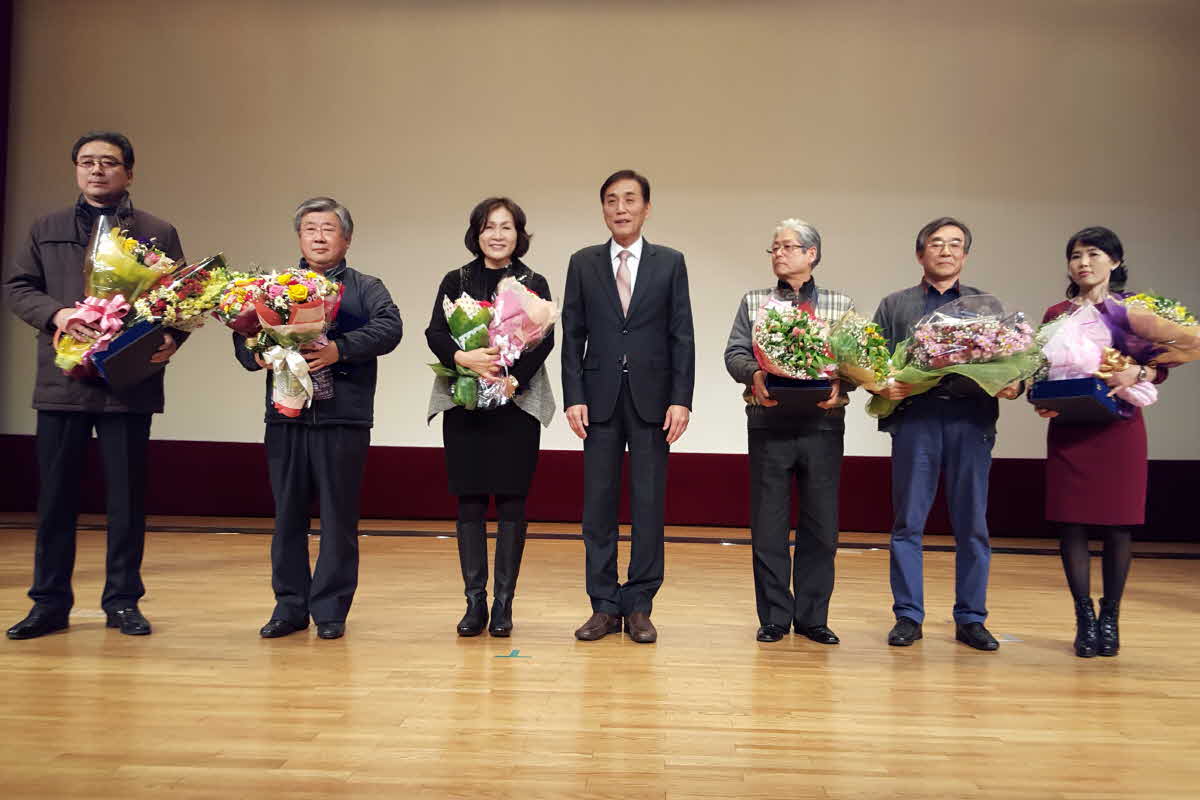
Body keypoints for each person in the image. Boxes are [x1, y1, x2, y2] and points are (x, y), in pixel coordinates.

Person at [3, 131, 184, 639]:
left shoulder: (156, 232)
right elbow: (18, 287)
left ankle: (123, 602)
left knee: (126, 499)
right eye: (86, 162)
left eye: (108, 162)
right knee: (55, 499)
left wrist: (171, 337)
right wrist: (58, 314)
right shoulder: (47, 227)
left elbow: (179, 299)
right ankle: (48, 603)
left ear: (129, 172)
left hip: (128, 383)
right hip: (63, 381)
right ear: (76, 171)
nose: (96, 170)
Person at [234, 197, 402, 640]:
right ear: (299, 238)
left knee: (338, 518)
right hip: (286, 416)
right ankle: (289, 607)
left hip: (343, 418)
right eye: (310, 229)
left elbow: (390, 328)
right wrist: (260, 354)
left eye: (329, 229)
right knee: (287, 516)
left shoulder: (365, 287)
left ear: (346, 239)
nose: (319, 237)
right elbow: (244, 338)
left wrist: (338, 350)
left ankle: (330, 610)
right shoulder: (273, 290)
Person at [871, 217, 1022, 651]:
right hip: (916, 421)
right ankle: (908, 616)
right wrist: (881, 384)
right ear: (921, 253)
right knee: (908, 522)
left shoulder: (985, 306)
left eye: (955, 244)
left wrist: (1014, 384)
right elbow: (872, 360)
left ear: (965, 256)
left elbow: (1011, 362)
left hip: (971, 422)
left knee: (972, 524)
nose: (946, 251)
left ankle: (971, 618)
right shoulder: (895, 305)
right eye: (936, 243)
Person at [561, 169, 695, 644]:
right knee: (597, 506)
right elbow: (572, 335)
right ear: (603, 209)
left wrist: (681, 399)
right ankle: (602, 605)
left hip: (653, 401)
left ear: (646, 208)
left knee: (648, 504)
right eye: (612, 200)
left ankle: (639, 604)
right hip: (597, 400)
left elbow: (682, 335)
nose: (621, 208)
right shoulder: (583, 262)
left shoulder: (670, 262)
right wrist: (574, 395)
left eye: (630, 199)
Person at [1032, 227, 1167, 658]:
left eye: (1093, 254)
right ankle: (1084, 618)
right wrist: (1042, 398)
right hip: (1071, 427)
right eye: (1076, 255)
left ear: (1115, 261)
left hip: (1120, 427)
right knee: (1070, 523)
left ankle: (1111, 617)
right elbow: (1040, 368)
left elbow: (1162, 365)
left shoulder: (1135, 310)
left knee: (1118, 525)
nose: (1084, 263)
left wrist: (1137, 373)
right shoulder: (1057, 313)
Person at [425, 197, 555, 637]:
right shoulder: (456, 279)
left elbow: (544, 340)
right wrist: (463, 357)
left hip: (515, 404)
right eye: (488, 227)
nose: (497, 235)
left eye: (506, 227)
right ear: (476, 233)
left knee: (513, 500)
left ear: (519, 234)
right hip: (465, 401)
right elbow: (435, 332)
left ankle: (503, 606)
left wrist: (513, 379)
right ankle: (474, 604)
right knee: (470, 499)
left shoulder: (533, 282)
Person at [723, 218, 854, 644]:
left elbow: (857, 358)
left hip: (823, 426)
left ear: (811, 254)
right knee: (769, 526)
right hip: (769, 424)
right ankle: (775, 617)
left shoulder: (839, 303)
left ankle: (813, 618)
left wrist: (842, 382)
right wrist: (754, 374)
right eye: (774, 248)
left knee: (821, 527)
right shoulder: (754, 301)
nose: (778, 253)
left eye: (787, 247)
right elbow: (735, 352)